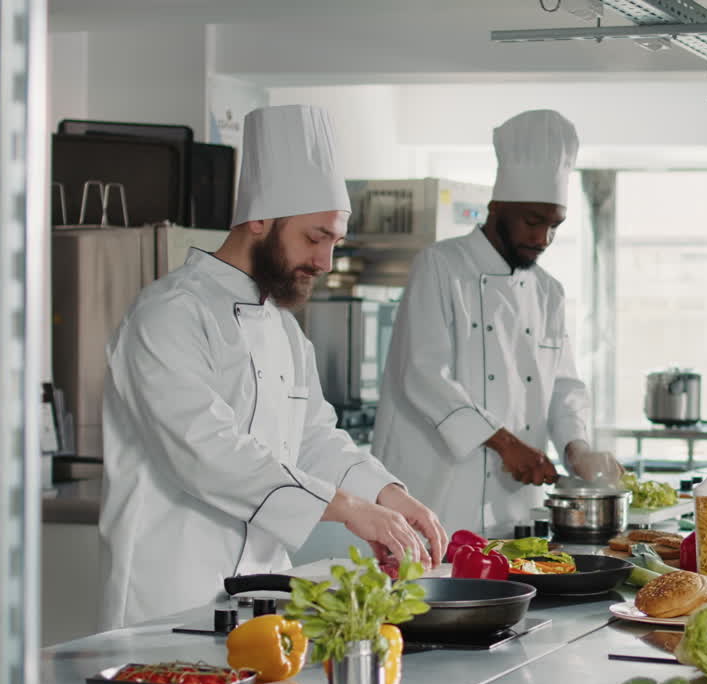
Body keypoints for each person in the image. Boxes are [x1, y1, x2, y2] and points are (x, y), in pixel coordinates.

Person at [99, 105, 447, 629]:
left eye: (335, 242)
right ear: (259, 220)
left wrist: (387, 494)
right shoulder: (168, 315)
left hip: (262, 597)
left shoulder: (283, 327)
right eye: (315, 238)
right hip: (168, 599)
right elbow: (208, 452)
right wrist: (348, 508)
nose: (325, 263)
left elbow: (313, 437)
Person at [372, 109, 622, 538]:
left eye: (554, 226)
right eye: (532, 221)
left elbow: (564, 386)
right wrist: (506, 444)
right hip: (437, 497)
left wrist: (575, 447)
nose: (542, 238)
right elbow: (423, 373)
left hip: (513, 508)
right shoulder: (440, 266)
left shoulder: (548, 292)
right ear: (497, 206)